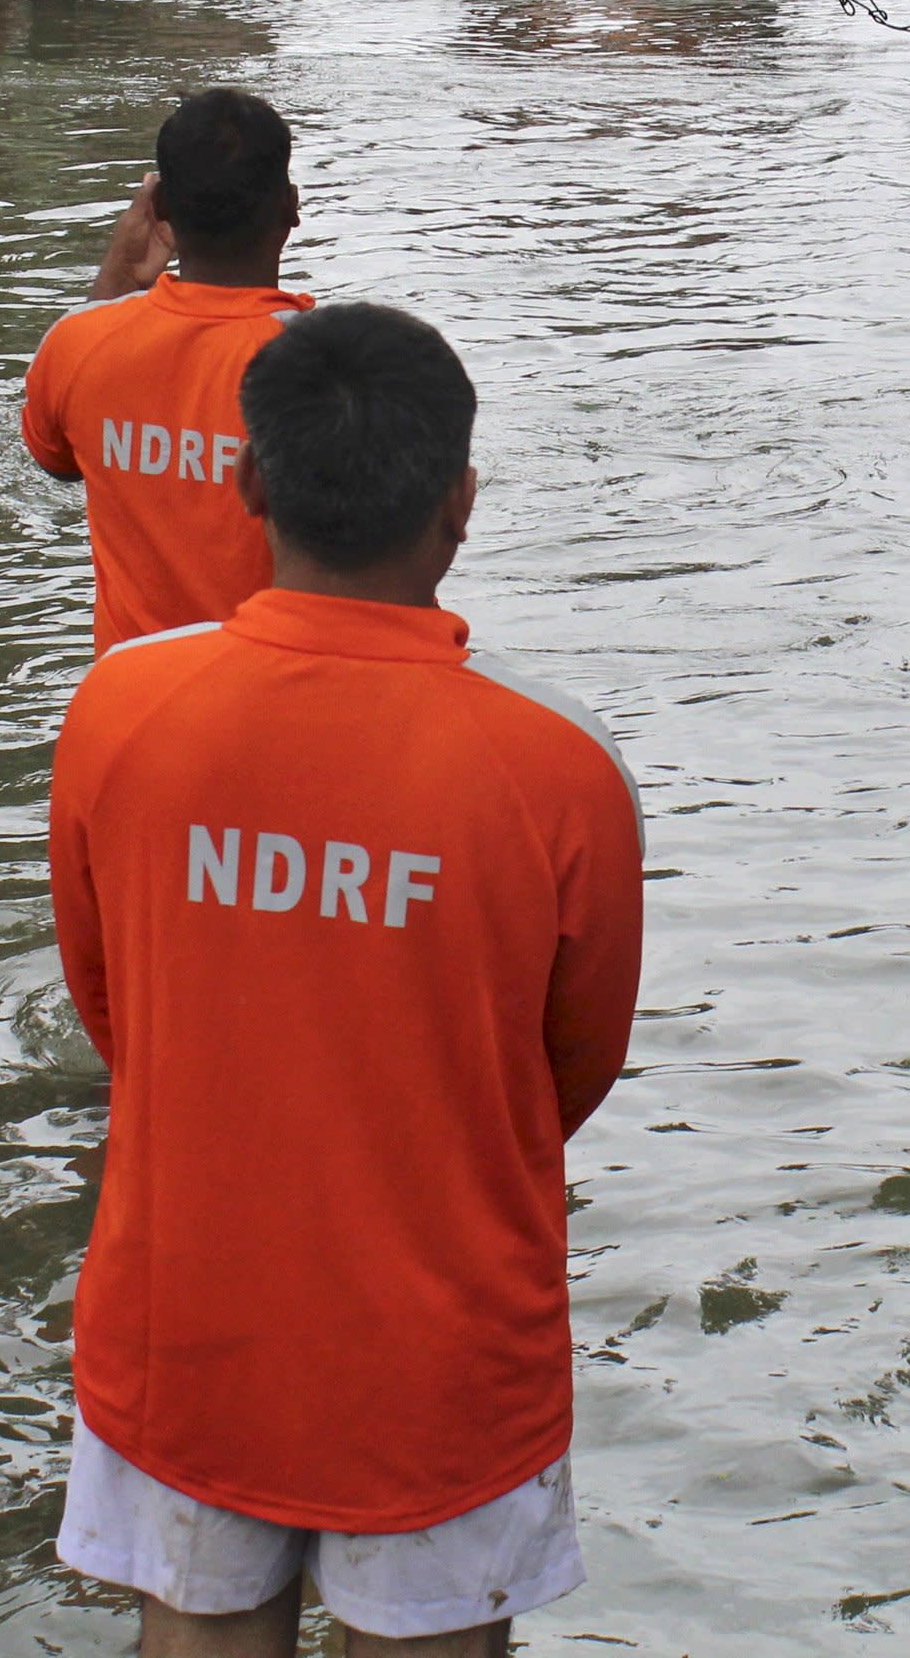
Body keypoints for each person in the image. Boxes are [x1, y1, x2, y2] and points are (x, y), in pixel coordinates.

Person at [48, 302, 644, 1656]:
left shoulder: (120, 710)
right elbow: (571, 1067)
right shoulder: (561, 765)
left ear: (249, 481)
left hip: (184, 1310)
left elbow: (112, 1006)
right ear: (463, 503)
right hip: (440, 1352)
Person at [24, 89, 313, 656]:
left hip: (132, 712)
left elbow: (57, 461)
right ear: (289, 208)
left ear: (159, 213)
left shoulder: (78, 343)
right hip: (274, 707)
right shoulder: (333, 365)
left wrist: (119, 274)